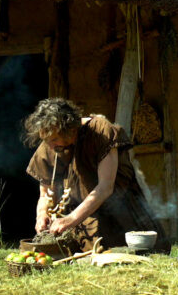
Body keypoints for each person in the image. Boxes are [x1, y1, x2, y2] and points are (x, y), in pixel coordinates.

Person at [23, 97, 170, 253]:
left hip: (117, 210)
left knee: (129, 251)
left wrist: (70, 219)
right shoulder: (50, 143)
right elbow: (45, 193)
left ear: (69, 129)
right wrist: (41, 214)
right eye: (46, 140)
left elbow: (105, 187)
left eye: (54, 139)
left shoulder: (101, 132)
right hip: (78, 215)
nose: (50, 145)